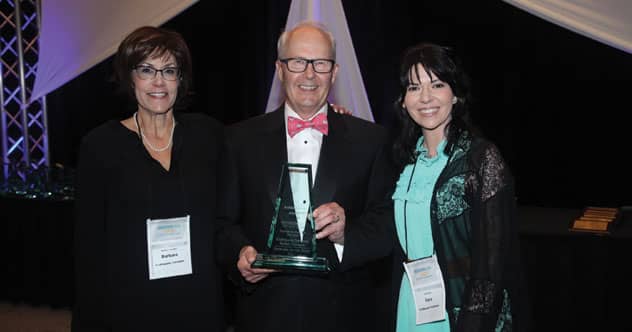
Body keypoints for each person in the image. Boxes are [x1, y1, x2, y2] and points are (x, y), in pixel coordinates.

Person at [216, 21, 396, 332]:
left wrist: (344, 235)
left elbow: (385, 226)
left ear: (334, 72)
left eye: (320, 63)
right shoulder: (238, 140)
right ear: (280, 69)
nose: (309, 74)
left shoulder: (372, 141)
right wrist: (240, 253)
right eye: (298, 62)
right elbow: (222, 224)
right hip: (264, 315)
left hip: (346, 315)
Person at [72, 26, 225, 331]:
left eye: (169, 70)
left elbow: (261, 147)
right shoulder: (100, 146)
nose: (159, 81)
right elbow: (88, 246)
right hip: (130, 305)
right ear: (130, 77)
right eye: (147, 70)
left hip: (198, 301)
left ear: (180, 80)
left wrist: (325, 119)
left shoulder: (208, 135)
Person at [390, 43, 528, 332]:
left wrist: (473, 325)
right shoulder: (404, 160)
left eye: (437, 84)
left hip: (461, 312)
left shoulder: (480, 159)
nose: (425, 97)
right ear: (403, 100)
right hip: (412, 303)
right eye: (414, 88)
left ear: (455, 95)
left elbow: (491, 266)